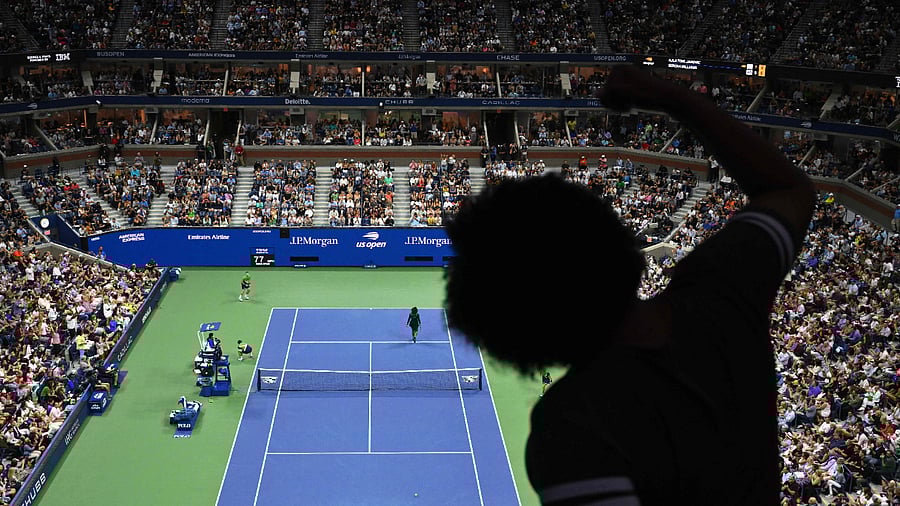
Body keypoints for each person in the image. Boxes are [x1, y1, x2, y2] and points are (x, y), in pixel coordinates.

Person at [443, 65, 816, 506]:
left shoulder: (571, 430)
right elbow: (789, 189)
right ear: (609, 235)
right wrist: (675, 99)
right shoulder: (720, 295)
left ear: (522, 343)